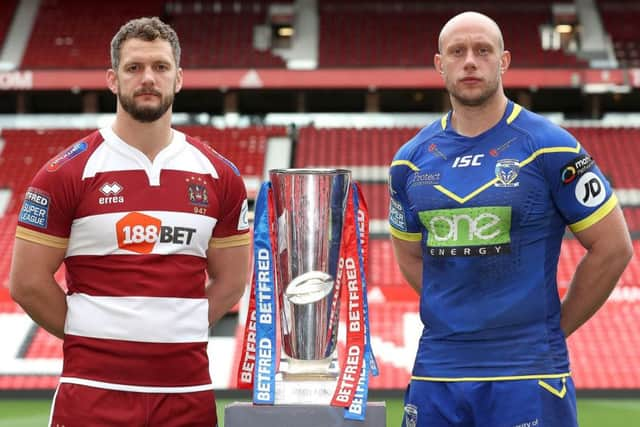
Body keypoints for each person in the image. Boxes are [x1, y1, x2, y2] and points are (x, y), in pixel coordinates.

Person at [389, 11, 633, 427]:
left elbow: (613, 248)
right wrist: (459, 317)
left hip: (529, 373)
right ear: (439, 64)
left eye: (483, 50)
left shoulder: (552, 148)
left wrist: (552, 330)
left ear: (503, 61)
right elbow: (411, 259)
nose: (470, 60)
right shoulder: (408, 162)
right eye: (457, 51)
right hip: (438, 371)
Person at [9, 17, 250, 426]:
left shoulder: (219, 175)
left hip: (186, 394)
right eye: (134, 68)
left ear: (178, 78)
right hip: (92, 394)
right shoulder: (66, 172)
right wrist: (96, 338)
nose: (148, 79)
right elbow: (27, 283)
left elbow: (231, 282)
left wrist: (173, 331)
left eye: (160, 67)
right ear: (112, 79)